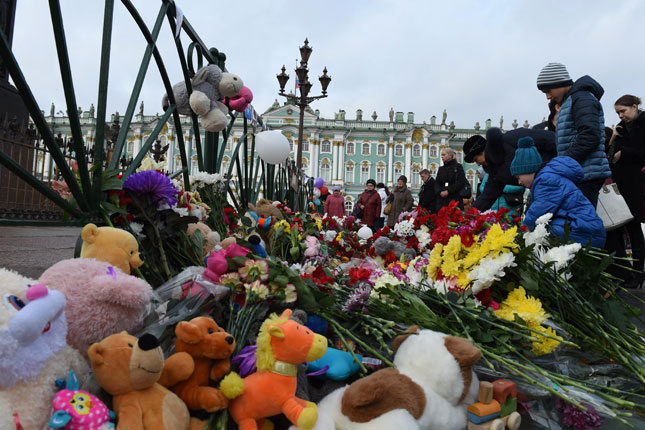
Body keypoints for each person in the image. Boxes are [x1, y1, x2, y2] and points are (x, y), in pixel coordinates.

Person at [536, 62, 611, 207]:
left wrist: (562, 162)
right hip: (581, 171)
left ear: (560, 83)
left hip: (586, 174)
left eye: (548, 90)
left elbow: (590, 136)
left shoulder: (581, 99)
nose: (547, 96)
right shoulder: (573, 100)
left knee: (582, 223)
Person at [511, 136, 605, 248]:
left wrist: (522, 231)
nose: (519, 182)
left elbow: (539, 210)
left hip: (581, 231)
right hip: (583, 227)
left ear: (528, 170)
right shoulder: (548, 177)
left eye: (518, 177)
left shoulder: (546, 180)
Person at [464, 128, 555, 211]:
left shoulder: (510, 138)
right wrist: (472, 213)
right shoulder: (495, 170)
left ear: (482, 152)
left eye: (476, 160)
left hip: (554, 174)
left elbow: (548, 139)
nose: (478, 164)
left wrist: (562, 159)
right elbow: (488, 195)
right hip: (540, 188)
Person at [606, 95, 645, 287]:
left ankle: (638, 272)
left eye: (624, 111)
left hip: (637, 183)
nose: (621, 115)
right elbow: (610, 156)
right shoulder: (621, 129)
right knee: (618, 228)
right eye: (618, 113)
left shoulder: (643, 124)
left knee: (634, 227)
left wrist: (626, 153)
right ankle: (624, 272)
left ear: (635, 107)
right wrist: (613, 138)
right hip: (620, 183)